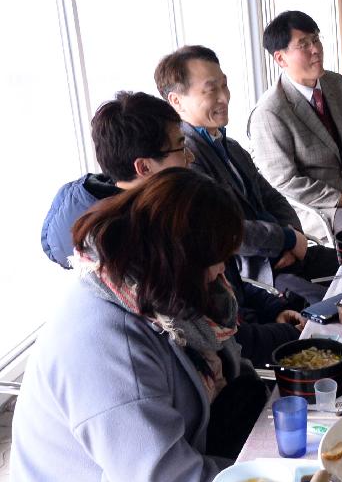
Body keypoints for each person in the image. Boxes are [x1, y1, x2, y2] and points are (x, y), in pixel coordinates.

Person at [7, 169, 252, 482]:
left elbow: (233, 372)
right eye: (216, 259)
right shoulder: (106, 346)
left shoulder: (156, 289)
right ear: (180, 257)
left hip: (169, 467)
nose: (222, 270)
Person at [41, 91, 304, 366]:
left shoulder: (169, 211)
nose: (190, 156)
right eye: (180, 147)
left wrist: (273, 308)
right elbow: (207, 339)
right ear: (143, 167)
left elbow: (225, 285)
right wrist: (286, 334)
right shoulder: (147, 247)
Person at [155, 45, 340, 304]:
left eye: (224, 85)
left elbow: (272, 196)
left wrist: (292, 236)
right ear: (177, 101)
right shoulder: (186, 161)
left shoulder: (230, 146)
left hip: (289, 252)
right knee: (338, 309)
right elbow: (226, 232)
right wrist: (284, 240)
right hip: (259, 274)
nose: (223, 97)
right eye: (211, 90)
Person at [248, 11, 342, 238]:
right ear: (280, 58)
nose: (315, 49)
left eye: (316, 39)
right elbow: (285, 183)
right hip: (320, 209)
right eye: (304, 44)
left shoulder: (335, 83)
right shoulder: (270, 112)